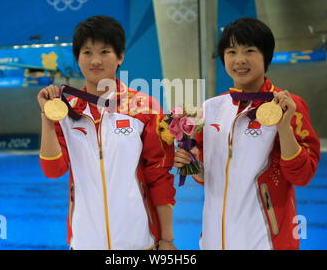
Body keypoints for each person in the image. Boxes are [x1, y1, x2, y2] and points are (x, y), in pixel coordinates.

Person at [174, 18, 320, 250]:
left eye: (249, 50)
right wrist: (191, 163)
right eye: (231, 51)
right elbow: (205, 176)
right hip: (215, 240)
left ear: (266, 56)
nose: (239, 59)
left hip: (266, 240)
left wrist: (283, 126)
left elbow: (301, 176)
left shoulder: (289, 105)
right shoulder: (210, 108)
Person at [38, 15, 176, 250]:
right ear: (78, 58)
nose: (95, 61)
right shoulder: (67, 111)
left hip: (138, 241)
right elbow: (53, 170)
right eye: (87, 52)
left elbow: (159, 176)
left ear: (120, 56)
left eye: (105, 52)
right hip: (84, 242)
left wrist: (167, 239)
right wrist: (48, 119)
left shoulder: (144, 108)